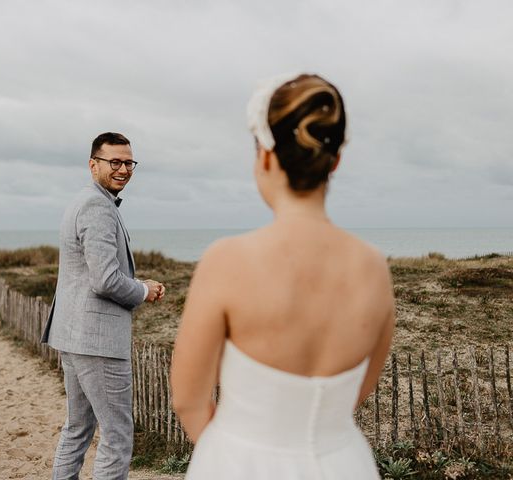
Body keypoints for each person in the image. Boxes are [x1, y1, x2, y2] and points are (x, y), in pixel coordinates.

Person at [171, 74, 395, 478]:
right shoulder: (374, 267)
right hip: (344, 464)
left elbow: (188, 399)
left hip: (239, 464)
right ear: (336, 161)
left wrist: (226, 456)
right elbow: (357, 394)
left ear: (267, 158)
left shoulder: (227, 261)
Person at [41, 132, 165, 480]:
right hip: (97, 341)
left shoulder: (86, 200)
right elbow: (106, 280)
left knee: (77, 429)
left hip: (74, 336)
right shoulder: (98, 206)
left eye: (128, 162)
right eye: (115, 162)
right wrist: (144, 290)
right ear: (93, 164)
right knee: (117, 436)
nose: (123, 169)